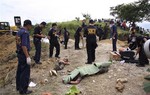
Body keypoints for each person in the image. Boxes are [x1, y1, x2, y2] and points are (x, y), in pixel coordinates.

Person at [16, 20, 32, 94]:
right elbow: (24, 45)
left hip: (19, 53)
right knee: (25, 73)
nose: (30, 27)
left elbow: (18, 43)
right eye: (30, 26)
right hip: (23, 54)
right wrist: (27, 56)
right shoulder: (25, 32)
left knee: (20, 71)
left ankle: (19, 87)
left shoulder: (19, 31)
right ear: (28, 25)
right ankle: (23, 90)